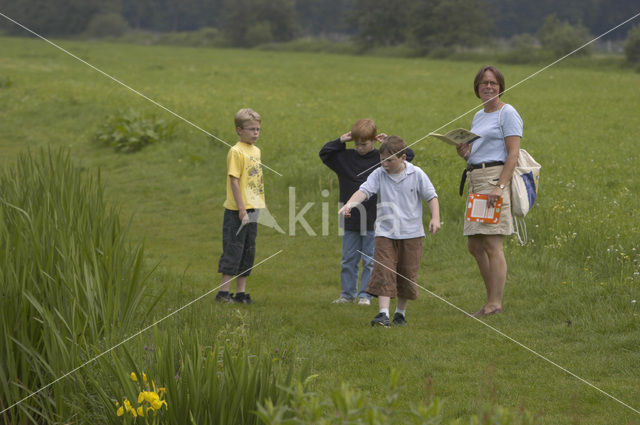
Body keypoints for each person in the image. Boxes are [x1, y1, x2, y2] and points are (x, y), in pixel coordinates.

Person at [339, 136, 440, 327]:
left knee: (407, 273)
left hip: (412, 233)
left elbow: (431, 197)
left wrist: (435, 218)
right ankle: (383, 314)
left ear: (403, 158)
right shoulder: (378, 174)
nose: (384, 164)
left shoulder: (416, 174)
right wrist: (350, 205)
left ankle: (400, 314)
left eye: (389, 160)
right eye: (382, 160)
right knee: (383, 270)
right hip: (385, 232)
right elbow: (364, 191)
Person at [320, 119, 414, 305]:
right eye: (356, 144)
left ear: (373, 140)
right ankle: (347, 294)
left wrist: (387, 142)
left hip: (375, 219)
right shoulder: (344, 158)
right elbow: (324, 154)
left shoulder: (382, 160)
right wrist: (341, 140)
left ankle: (365, 295)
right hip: (350, 218)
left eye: (364, 143)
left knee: (370, 260)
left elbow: (408, 156)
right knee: (348, 259)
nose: (360, 147)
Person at [456, 65, 523, 317]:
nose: (488, 87)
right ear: (477, 87)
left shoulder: (507, 113)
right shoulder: (479, 115)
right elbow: (479, 152)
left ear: (501, 87)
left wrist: (500, 186)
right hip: (476, 178)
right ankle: (491, 299)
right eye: (484, 83)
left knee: (493, 244)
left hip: (493, 180)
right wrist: (466, 154)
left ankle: (494, 303)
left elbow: (513, 154)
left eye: (493, 83)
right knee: (475, 245)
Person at [216, 108, 265, 304]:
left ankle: (241, 293)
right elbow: (234, 181)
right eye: (251, 129)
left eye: (258, 129)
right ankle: (223, 293)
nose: (255, 133)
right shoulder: (236, 151)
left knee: (248, 249)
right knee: (233, 249)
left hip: (253, 208)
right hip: (237, 210)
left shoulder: (256, 151)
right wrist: (242, 209)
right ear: (239, 130)